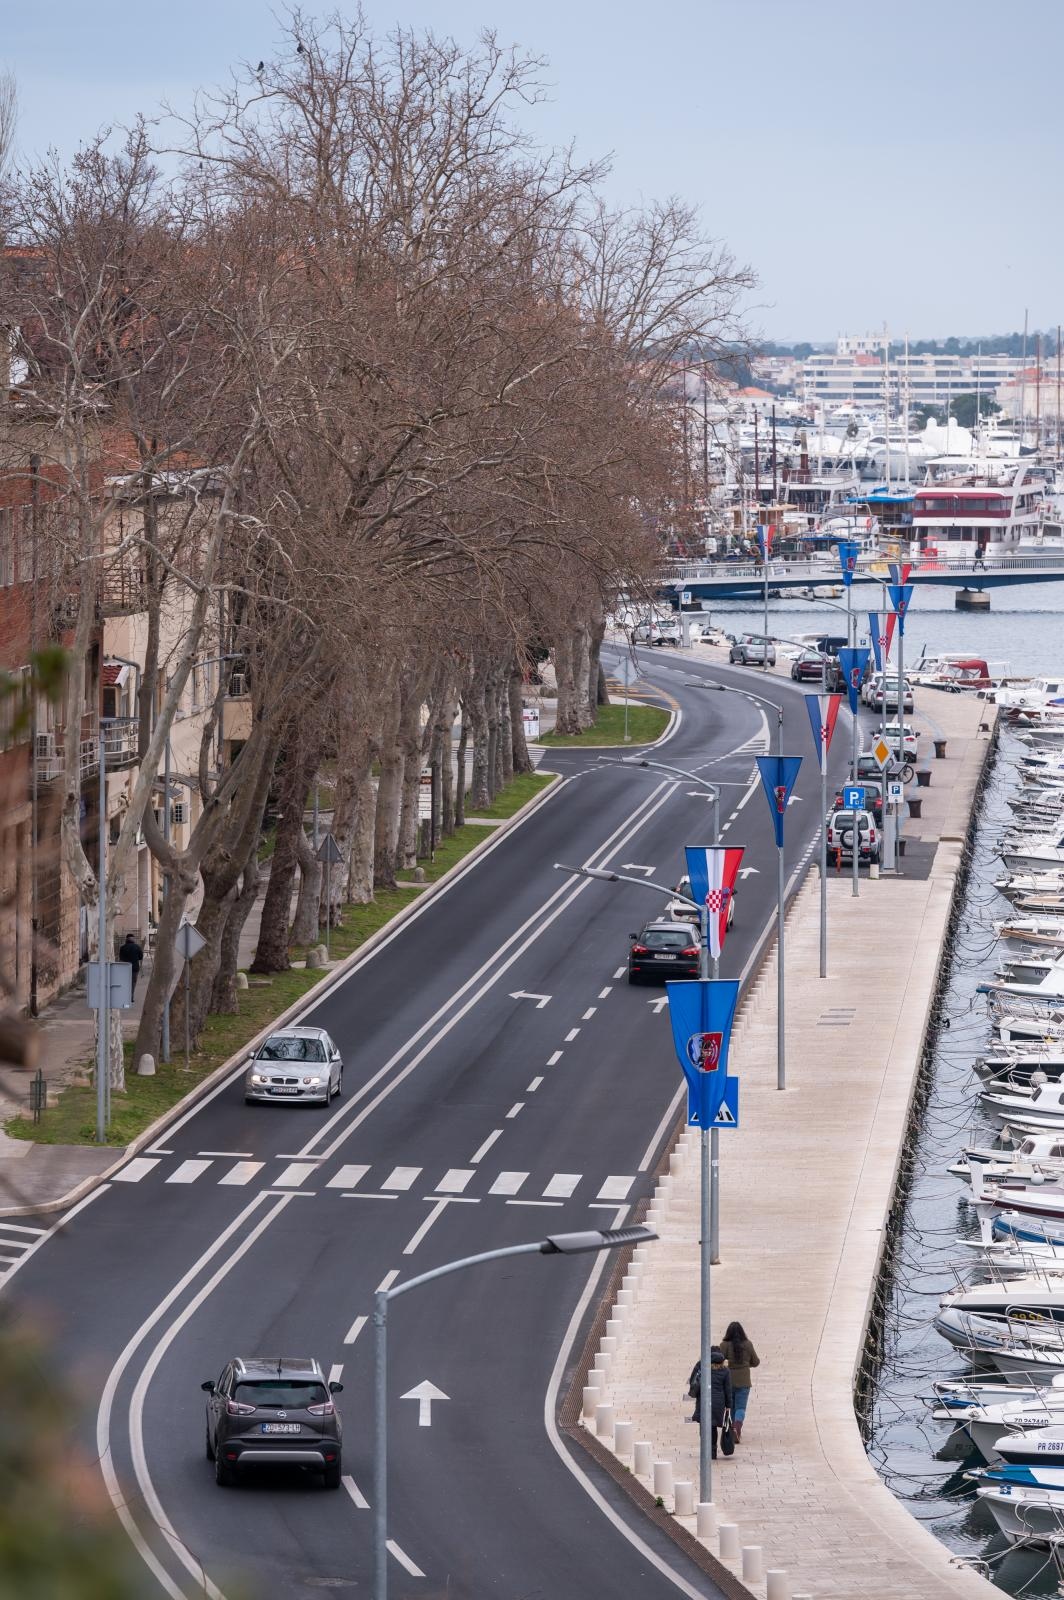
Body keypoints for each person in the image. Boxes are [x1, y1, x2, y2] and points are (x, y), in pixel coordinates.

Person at [720, 1321, 760, 1443]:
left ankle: (733, 1430)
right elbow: (756, 1362)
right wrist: (746, 1364)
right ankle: (737, 1427)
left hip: (729, 1381)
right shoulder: (748, 1344)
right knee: (741, 1407)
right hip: (744, 1381)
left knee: (731, 1407)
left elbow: (718, 1361)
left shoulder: (724, 1345)